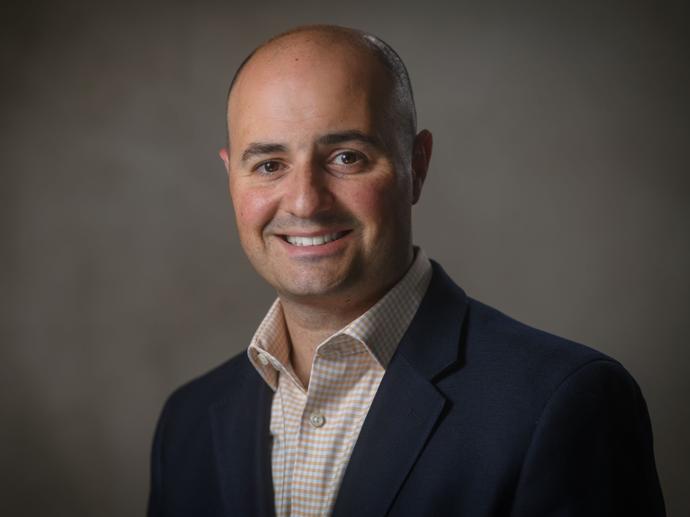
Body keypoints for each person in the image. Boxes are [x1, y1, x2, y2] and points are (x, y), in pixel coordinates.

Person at [147, 25, 665, 517]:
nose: (305, 202)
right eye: (268, 165)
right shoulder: (188, 421)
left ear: (416, 165)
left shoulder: (562, 403)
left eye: (347, 157)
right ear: (230, 176)